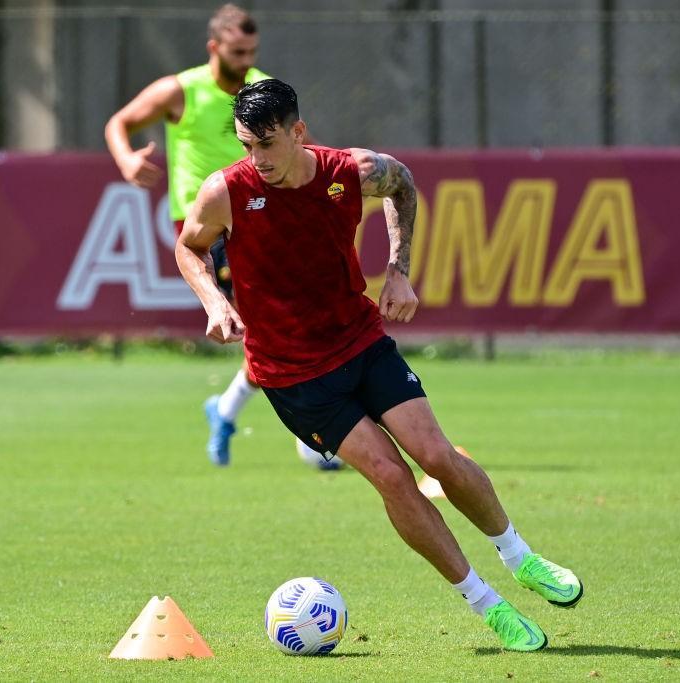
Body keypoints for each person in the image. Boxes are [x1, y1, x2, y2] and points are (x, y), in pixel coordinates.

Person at [175, 78, 583, 651]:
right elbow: (188, 246)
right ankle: (486, 604)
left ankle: (521, 557)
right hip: (294, 374)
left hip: (360, 342)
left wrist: (399, 268)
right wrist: (214, 301)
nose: (257, 158)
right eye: (247, 145)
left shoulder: (353, 171)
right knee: (391, 476)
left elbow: (405, 186)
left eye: (267, 143)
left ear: (298, 132)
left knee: (437, 455)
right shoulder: (226, 192)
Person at [104, 3, 327, 467]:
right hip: (206, 227)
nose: (246, 60)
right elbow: (119, 123)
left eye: (252, 52)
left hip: (262, 216)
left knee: (284, 328)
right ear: (214, 47)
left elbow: (296, 146)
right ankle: (313, 434)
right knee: (276, 330)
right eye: (238, 51)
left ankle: (226, 411)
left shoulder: (261, 88)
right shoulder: (180, 90)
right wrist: (126, 160)